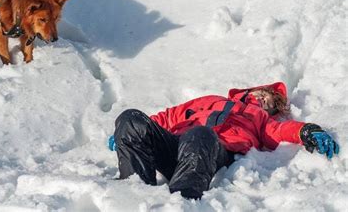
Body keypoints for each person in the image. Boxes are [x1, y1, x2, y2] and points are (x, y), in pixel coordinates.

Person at [108, 82, 339, 199]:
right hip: (176, 146)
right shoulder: (211, 99)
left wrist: (307, 130)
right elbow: (168, 117)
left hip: (211, 152)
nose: (263, 100)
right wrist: (127, 131)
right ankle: (131, 195)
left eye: (269, 102)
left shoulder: (259, 119)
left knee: (200, 134)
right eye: (263, 94)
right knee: (130, 118)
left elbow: (281, 130)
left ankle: (180, 203)